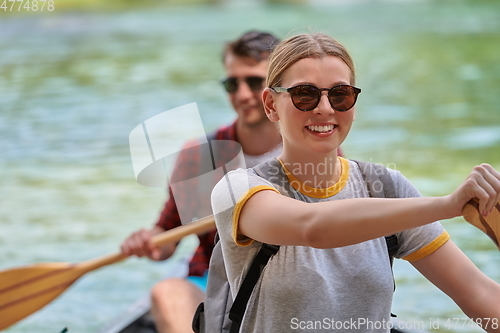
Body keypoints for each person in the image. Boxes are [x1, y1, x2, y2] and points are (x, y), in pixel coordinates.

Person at [211, 32, 500, 333]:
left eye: (340, 95)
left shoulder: (387, 187)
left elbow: (479, 293)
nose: (325, 108)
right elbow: (314, 228)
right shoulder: (237, 189)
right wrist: (448, 205)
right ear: (271, 105)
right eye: (305, 94)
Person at [120, 31, 284, 333]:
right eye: (232, 84)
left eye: (254, 81)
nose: (243, 94)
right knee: (166, 292)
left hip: (287, 281)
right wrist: (148, 242)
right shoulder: (199, 157)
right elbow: (167, 236)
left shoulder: (312, 148)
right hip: (212, 279)